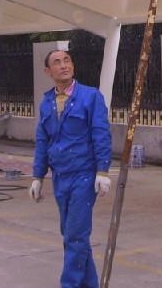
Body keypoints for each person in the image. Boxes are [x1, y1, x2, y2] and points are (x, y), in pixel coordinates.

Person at [29, 49, 112, 288]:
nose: (64, 65)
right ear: (48, 71)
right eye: (57, 62)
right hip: (60, 177)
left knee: (75, 235)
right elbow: (43, 141)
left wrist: (103, 171)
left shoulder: (90, 97)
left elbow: (101, 134)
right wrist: (37, 176)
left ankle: (70, 284)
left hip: (83, 175)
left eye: (67, 60)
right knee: (72, 235)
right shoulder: (47, 103)